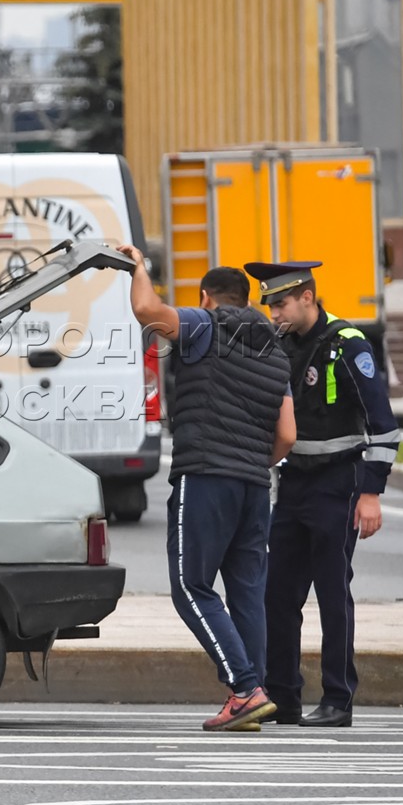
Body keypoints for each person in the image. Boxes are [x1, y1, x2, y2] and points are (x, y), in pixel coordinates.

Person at [123, 250, 295, 732]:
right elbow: (287, 437)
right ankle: (251, 697)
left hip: (205, 476)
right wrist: (247, 461)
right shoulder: (274, 349)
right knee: (246, 593)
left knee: (191, 586)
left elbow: (146, 311)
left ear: (206, 298)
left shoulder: (205, 326)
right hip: (255, 486)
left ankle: (244, 688)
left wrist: (139, 266)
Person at [247, 260, 402, 729]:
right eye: (270, 305)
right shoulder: (281, 347)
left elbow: (383, 424)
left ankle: (338, 699)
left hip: (340, 482)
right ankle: (284, 696)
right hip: (295, 483)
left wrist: (371, 494)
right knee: (278, 593)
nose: (275, 313)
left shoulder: (348, 346)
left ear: (308, 298)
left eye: (281, 304)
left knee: (333, 593)